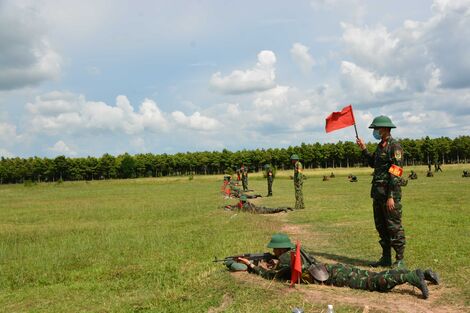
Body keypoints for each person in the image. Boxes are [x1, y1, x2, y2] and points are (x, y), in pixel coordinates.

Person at [227, 233, 439, 300]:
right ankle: (421, 273)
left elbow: (270, 276)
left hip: (332, 276)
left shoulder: (284, 259)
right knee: (372, 275)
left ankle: (413, 277)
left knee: (373, 283)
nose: (272, 252)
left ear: (280, 250)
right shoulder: (293, 253)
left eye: (274, 250)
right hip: (331, 268)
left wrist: (251, 266)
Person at [356, 116, 406, 268]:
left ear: (384, 129)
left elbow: (396, 172)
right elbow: (373, 163)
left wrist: (390, 196)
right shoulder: (380, 146)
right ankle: (385, 258)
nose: (375, 131)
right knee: (381, 227)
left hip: (389, 195)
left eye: (376, 129)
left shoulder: (395, 147)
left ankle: (399, 260)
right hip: (378, 194)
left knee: (393, 226)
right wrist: (364, 149)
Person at [223, 195, 292, 214]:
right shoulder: (246, 204)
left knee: (272, 210)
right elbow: (236, 206)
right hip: (259, 208)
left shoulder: (244, 206)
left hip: (259, 210)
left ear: (241, 201)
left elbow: (236, 208)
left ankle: (284, 208)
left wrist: (230, 208)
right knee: (272, 209)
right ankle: (285, 208)